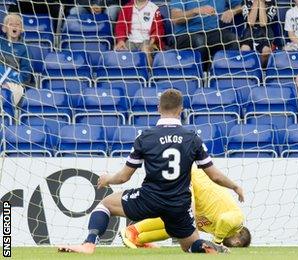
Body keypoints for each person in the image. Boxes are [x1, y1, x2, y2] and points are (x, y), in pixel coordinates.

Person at [57, 89, 245, 254]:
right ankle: (203, 246)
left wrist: (108, 179)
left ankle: (88, 244)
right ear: (181, 110)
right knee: (189, 245)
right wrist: (235, 186)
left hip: (150, 199)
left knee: (105, 205)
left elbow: (124, 177)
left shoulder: (145, 137)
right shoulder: (192, 138)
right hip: (179, 204)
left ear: (158, 108)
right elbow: (214, 175)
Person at [121, 168, 251, 248]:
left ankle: (137, 238)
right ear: (238, 240)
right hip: (190, 178)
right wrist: (217, 243)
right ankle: (133, 230)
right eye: (237, 244)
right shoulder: (237, 221)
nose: (234, 245)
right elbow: (225, 220)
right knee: (175, 216)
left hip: (192, 185)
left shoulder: (214, 228)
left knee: (178, 226)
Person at [170, 0, 243, 69]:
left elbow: (242, 6)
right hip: (185, 34)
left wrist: (233, 11)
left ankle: (223, 76)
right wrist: (195, 11)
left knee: (233, 39)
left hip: (212, 32)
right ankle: (204, 75)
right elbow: (175, 18)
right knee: (200, 41)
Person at [114, 0, 165, 66]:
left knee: (146, 50)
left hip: (147, 40)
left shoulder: (154, 8)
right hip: (130, 40)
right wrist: (121, 41)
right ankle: (125, 74)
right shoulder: (126, 7)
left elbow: (158, 28)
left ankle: (149, 72)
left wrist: (151, 44)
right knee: (119, 50)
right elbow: (120, 26)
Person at [0, 13, 31, 105]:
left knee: (6, 91)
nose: (14, 27)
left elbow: (26, 73)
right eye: (11, 24)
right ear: (4, 29)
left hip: (14, 82)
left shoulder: (24, 48)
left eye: (17, 25)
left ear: (21, 29)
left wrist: (9, 81)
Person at [240, 0, 278, 66]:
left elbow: (263, 23)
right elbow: (251, 22)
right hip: (249, 34)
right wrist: (256, 2)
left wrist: (261, 2)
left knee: (265, 51)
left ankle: (259, 70)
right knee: (244, 49)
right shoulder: (245, 2)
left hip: (266, 34)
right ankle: (250, 70)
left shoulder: (272, 2)